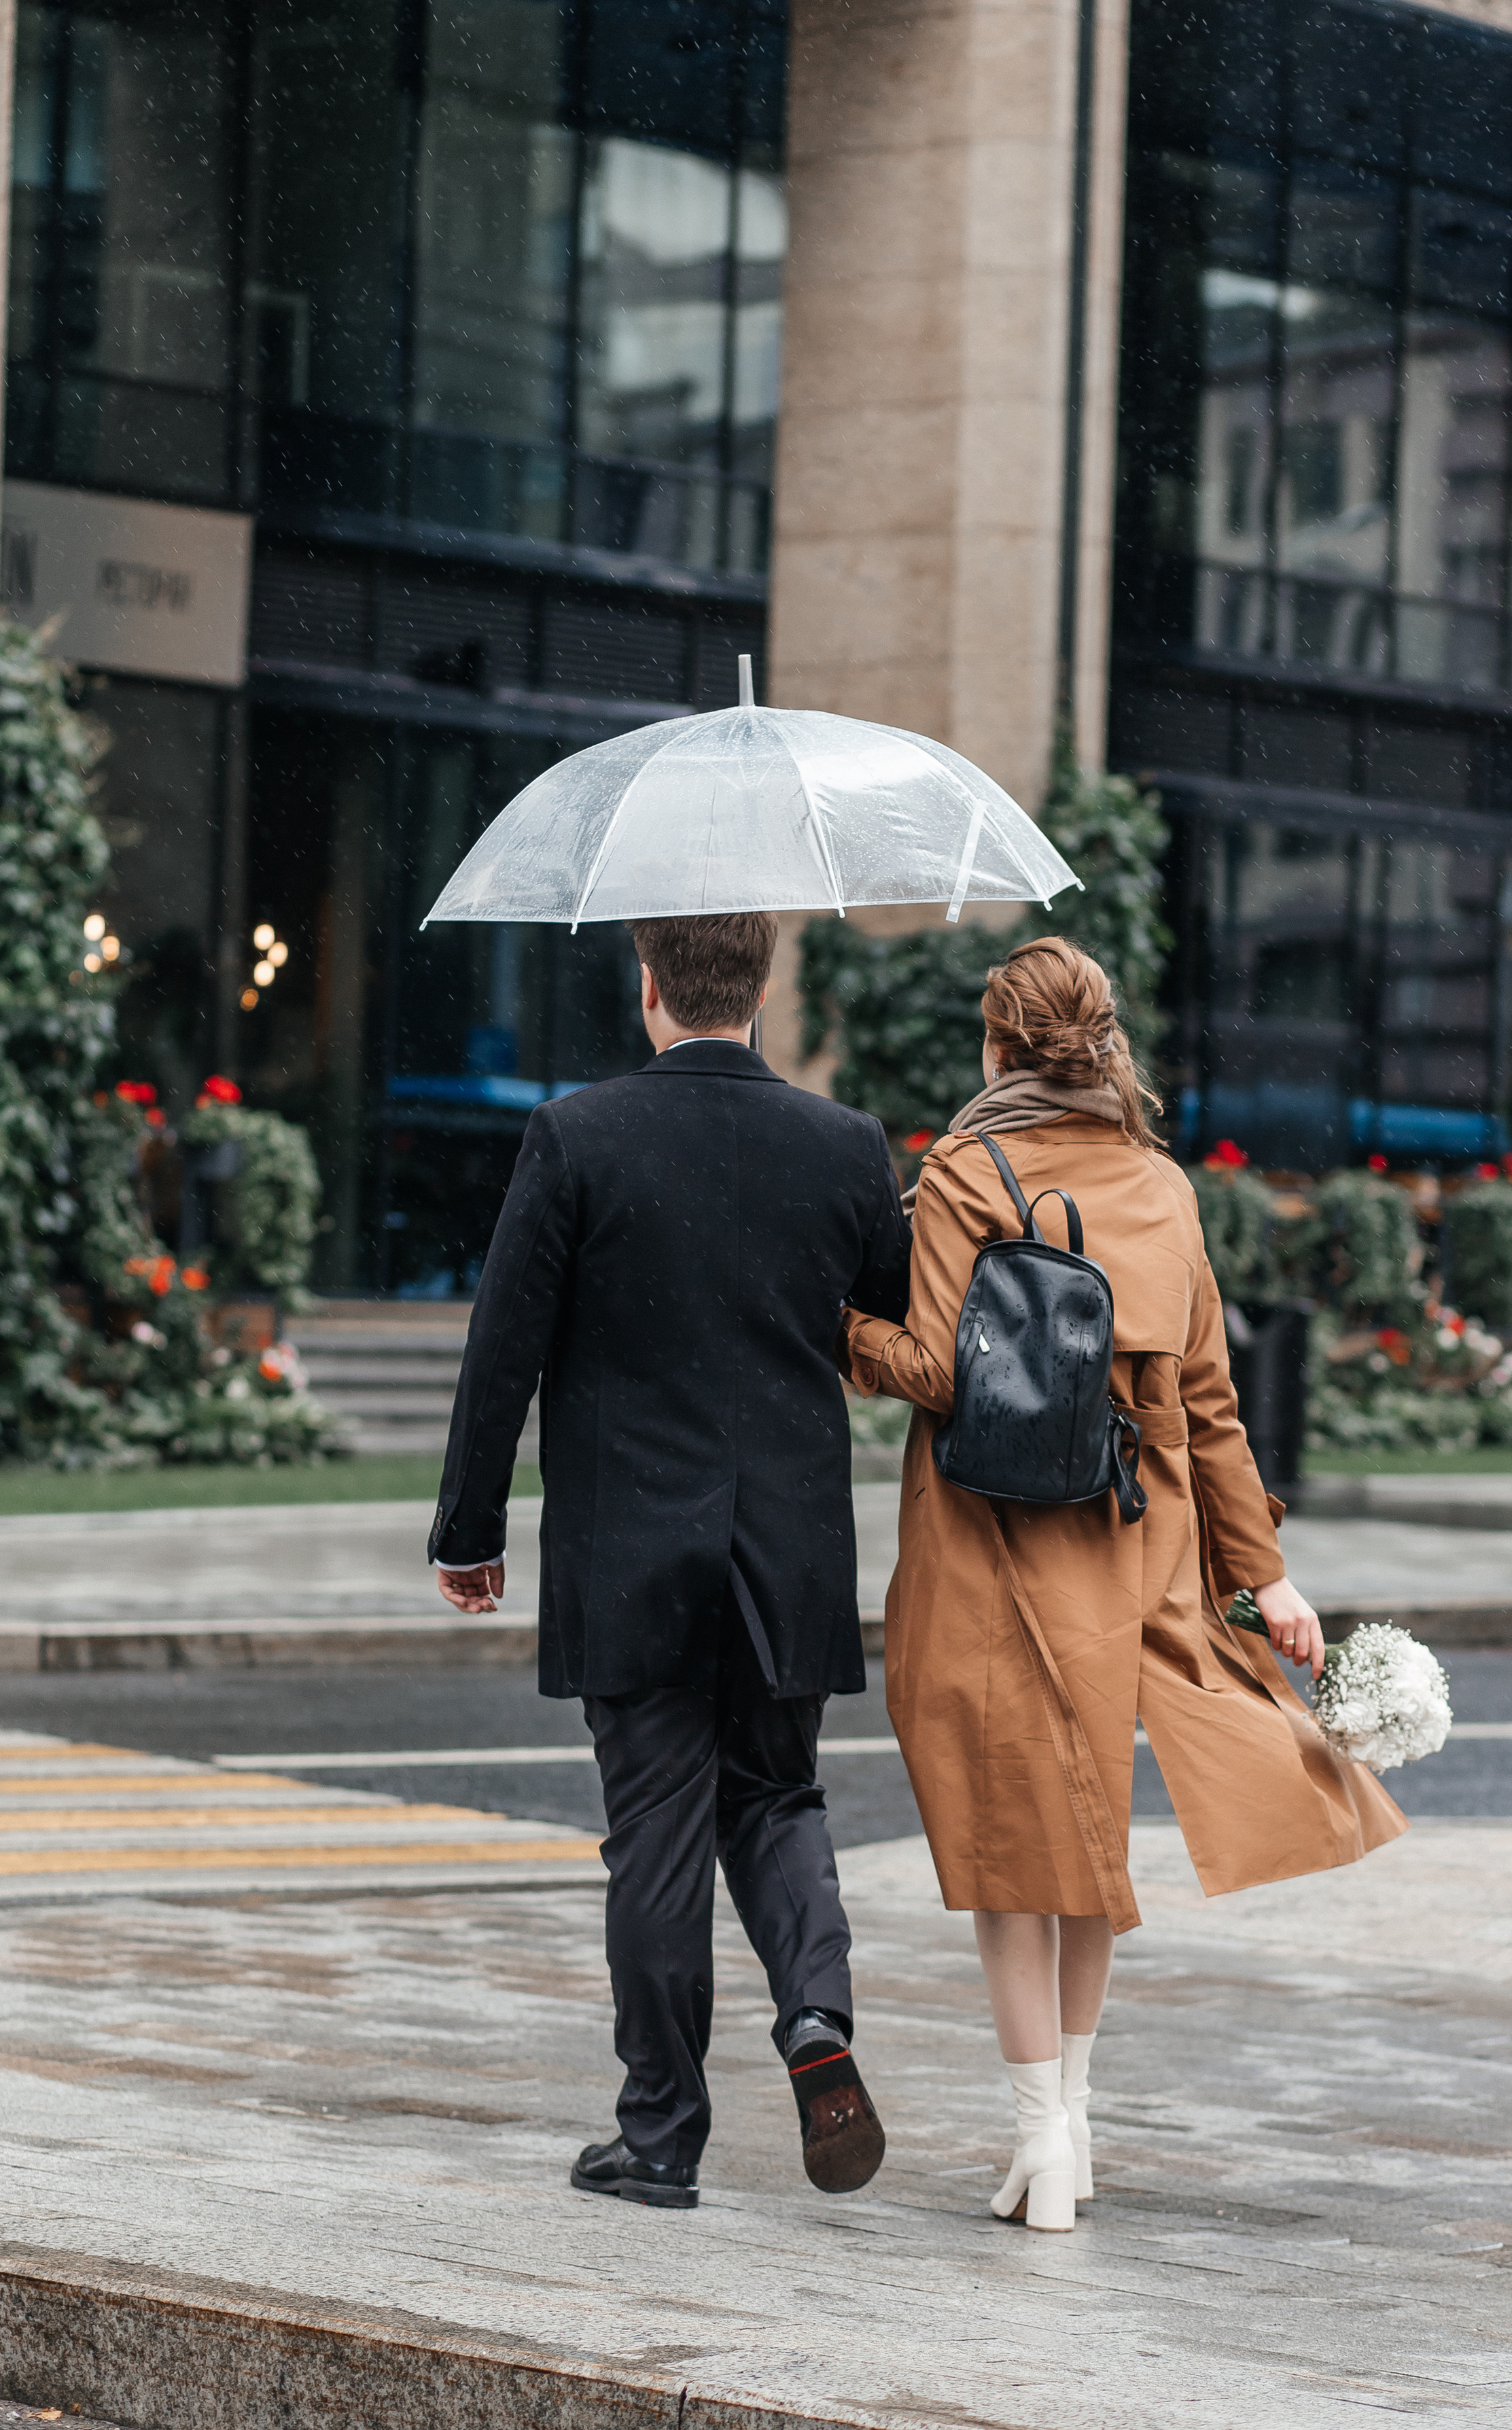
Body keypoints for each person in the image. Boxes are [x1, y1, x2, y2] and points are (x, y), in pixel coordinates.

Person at [840, 936, 1406, 2234]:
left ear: (999, 1043)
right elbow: (1210, 1414)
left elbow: (937, 1367)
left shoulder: (962, 1172)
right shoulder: (1163, 1184)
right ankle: (1070, 2125)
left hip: (995, 1539)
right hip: (1133, 1542)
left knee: (1008, 1841)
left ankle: (1042, 2128)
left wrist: (841, 1332)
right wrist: (1266, 1584)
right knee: (1090, 1837)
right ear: (1101, 1042)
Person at [429, 911, 911, 2211]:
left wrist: (469, 1531)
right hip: (793, 1541)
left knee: (655, 1834)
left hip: (629, 1541)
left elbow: (503, 1351)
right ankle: (817, 2016)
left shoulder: (578, 1136)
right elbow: (896, 1314)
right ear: (760, 992)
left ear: (649, 987)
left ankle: (661, 2138)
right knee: (780, 1797)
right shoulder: (847, 1145)